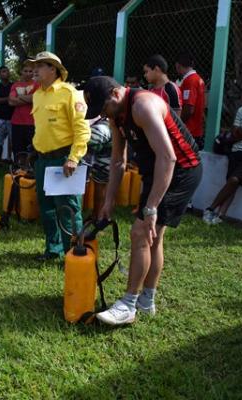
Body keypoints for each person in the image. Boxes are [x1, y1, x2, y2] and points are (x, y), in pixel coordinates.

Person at [82, 76, 202, 326]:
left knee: (140, 233)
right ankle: (147, 302)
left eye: (103, 108)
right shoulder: (116, 115)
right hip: (157, 170)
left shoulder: (142, 106)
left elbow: (168, 158)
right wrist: (109, 201)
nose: (103, 115)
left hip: (180, 171)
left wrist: (151, 208)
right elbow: (117, 160)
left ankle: (129, 304)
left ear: (115, 94)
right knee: (152, 238)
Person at [28, 51, 91, 261]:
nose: (34, 70)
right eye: (33, 66)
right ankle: (53, 250)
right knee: (46, 208)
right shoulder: (37, 94)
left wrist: (74, 158)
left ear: (52, 69)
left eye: (39, 66)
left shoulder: (70, 93)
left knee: (68, 209)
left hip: (63, 159)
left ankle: (74, 254)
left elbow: (82, 130)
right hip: (42, 159)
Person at [203, 82, 242, 225]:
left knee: (233, 180)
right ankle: (220, 216)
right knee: (231, 183)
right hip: (238, 150)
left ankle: (210, 208)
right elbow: (235, 132)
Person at [8, 61, 39, 160]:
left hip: (32, 122)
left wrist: (20, 97)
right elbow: (11, 102)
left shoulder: (37, 85)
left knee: (32, 148)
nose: (28, 73)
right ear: (21, 72)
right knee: (18, 148)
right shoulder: (15, 85)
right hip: (17, 122)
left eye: (30, 71)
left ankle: (30, 169)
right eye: (25, 71)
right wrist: (28, 99)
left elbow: (36, 99)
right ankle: (19, 168)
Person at [176, 52, 206, 150]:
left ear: (178, 65)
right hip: (195, 130)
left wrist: (177, 124)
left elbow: (189, 108)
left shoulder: (190, 81)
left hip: (189, 130)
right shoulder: (197, 79)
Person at [84, 116, 112, 219]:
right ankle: (98, 216)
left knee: (97, 180)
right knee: (101, 180)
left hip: (97, 129)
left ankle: (98, 216)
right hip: (105, 125)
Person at [0, 66, 14, 163]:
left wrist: (4, 99)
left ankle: (9, 158)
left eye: (7, 71)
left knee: (12, 140)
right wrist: (9, 98)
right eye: (3, 71)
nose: (6, 73)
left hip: (12, 117)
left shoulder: (13, 85)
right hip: (0, 117)